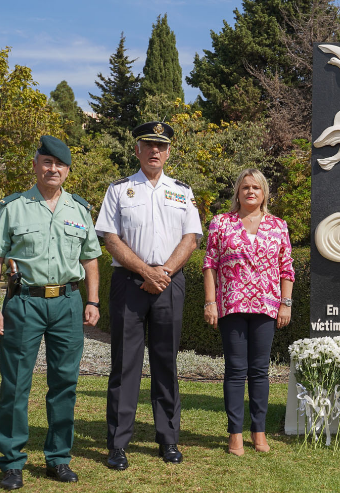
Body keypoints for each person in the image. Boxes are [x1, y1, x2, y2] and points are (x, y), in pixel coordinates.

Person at [0, 136, 102, 490]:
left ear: (67, 171)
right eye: (46, 162)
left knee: (64, 384)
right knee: (16, 384)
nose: (53, 169)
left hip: (67, 303)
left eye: (60, 165)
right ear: (35, 165)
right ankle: (12, 462)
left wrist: (93, 302)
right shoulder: (14, 207)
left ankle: (58, 458)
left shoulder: (79, 210)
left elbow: (91, 258)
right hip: (24, 303)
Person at [95, 122, 202, 470]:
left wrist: (164, 272)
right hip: (130, 284)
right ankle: (118, 444)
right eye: (148, 144)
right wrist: (145, 271)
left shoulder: (182, 191)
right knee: (125, 365)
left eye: (161, 145)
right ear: (138, 150)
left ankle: (168, 438)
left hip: (169, 283)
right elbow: (110, 238)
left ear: (169, 152)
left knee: (166, 363)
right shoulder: (119, 189)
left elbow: (191, 238)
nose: (155, 151)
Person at [202, 168, 294, 456]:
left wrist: (285, 303)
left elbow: (286, 267)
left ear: (264, 193)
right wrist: (210, 302)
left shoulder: (279, 226)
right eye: (245, 188)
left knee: (259, 371)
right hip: (232, 305)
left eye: (256, 187)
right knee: (235, 371)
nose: (250, 192)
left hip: (267, 306)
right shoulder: (221, 224)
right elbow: (210, 265)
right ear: (237, 193)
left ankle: (259, 431)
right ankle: (235, 433)